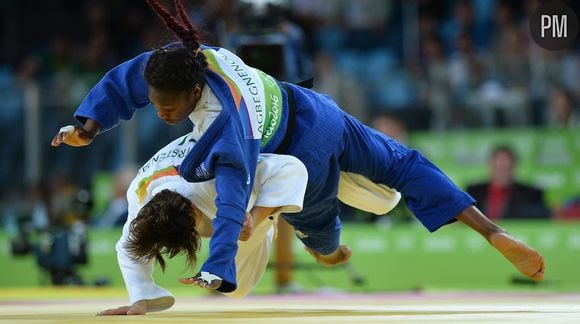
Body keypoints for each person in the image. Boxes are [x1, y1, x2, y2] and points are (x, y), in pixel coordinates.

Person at [52, 0, 544, 293]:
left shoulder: (229, 126)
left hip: (298, 153)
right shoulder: (189, 60)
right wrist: (88, 125)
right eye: (157, 106)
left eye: (170, 108)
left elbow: (231, 198)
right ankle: (491, 230)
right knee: (403, 163)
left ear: (195, 93)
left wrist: (219, 266)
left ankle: (328, 253)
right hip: (316, 108)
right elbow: (129, 80)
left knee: (316, 225)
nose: (162, 114)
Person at [99, 131, 309, 315]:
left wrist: (255, 217)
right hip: (200, 191)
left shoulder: (215, 177)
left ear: (193, 212)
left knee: (239, 287)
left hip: (243, 186)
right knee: (235, 289)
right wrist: (139, 299)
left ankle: (262, 222)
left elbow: (292, 168)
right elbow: (128, 245)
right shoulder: (140, 192)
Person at [467, 145, 551, 220]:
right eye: (498, 167)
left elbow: (541, 216)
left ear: (514, 167)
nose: (502, 173)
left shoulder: (531, 193)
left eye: (506, 168)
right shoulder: (473, 191)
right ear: (490, 166)